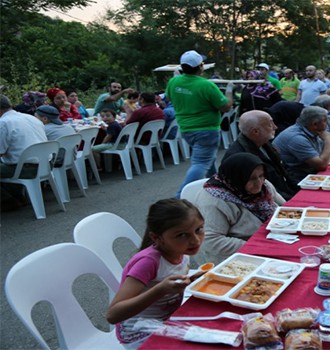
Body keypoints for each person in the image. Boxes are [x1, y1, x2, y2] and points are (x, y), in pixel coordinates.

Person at [107, 198, 206, 348]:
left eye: (199, 229)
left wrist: (191, 280)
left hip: (169, 319)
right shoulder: (148, 262)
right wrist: (160, 290)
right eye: (182, 235)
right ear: (156, 238)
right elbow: (113, 315)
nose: (195, 240)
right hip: (138, 330)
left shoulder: (181, 250)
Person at [165, 49, 233, 198]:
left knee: (209, 159)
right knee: (200, 163)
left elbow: (169, 98)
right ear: (200, 67)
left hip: (186, 129)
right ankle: (180, 197)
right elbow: (226, 106)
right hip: (206, 130)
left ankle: (217, 186)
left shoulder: (174, 81)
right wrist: (229, 91)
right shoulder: (206, 85)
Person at [195, 153, 283, 263]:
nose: (259, 183)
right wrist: (256, 246)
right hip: (238, 256)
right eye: (251, 179)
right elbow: (211, 240)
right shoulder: (214, 201)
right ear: (237, 178)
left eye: (261, 176)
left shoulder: (264, 186)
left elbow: (284, 206)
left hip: (270, 238)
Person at [223, 110, 299, 199]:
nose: (275, 127)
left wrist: (299, 189)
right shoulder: (239, 157)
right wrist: (292, 199)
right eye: (270, 124)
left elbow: (283, 171)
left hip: (284, 192)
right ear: (255, 131)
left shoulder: (264, 142)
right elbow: (258, 191)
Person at [0, 95, 47, 210]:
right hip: (45, 165)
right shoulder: (31, 118)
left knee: (7, 164)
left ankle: (8, 200)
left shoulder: (3, 123)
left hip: (26, 169)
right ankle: (17, 196)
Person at [272, 106, 330, 183]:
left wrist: (324, 158)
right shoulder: (296, 138)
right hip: (297, 179)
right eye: (325, 121)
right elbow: (321, 166)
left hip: (310, 173)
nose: (328, 123)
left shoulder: (311, 130)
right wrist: (328, 140)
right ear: (314, 124)